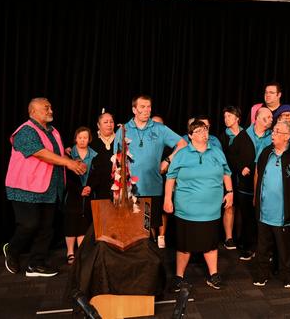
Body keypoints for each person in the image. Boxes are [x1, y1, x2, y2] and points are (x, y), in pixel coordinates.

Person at [4, 98, 86, 277]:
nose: (50, 110)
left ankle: (36, 264)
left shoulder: (53, 131)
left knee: (46, 228)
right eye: (46, 108)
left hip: (49, 187)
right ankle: (12, 250)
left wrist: (69, 157)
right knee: (29, 224)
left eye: (50, 107)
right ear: (33, 112)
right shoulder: (25, 131)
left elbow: (55, 153)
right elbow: (41, 153)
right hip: (25, 187)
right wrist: (69, 163)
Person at [164, 120, 233, 291]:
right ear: (190, 136)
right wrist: (167, 199)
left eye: (205, 130)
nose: (203, 133)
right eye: (199, 131)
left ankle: (213, 275)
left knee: (210, 244)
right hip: (186, 209)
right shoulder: (182, 154)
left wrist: (230, 192)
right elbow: (170, 177)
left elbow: (226, 172)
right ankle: (179, 276)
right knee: (184, 245)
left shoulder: (216, 152)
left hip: (211, 209)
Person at [115, 95, 185, 242]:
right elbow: (116, 161)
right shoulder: (123, 130)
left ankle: (149, 262)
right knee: (132, 231)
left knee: (149, 230)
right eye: (142, 107)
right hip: (130, 190)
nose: (147, 110)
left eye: (149, 107)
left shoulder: (160, 129)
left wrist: (167, 160)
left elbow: (183, 144)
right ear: (134, 109)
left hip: (152, 188)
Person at [252, 121, 290, 288]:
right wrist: (256, 197)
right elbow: (258, 175)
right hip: (264, 210)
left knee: (285, 248)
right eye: (273, 130)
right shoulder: (266, 152)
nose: (273, 133)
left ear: (287, 136)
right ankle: (262, 275)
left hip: (284, 213)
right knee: (262, 246)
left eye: (277, 131)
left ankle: (288, 276)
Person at [228, 106, 273, 260]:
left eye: (271, 117)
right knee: (248, 219)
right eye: (267, 117)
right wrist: (241, 168)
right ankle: (248, 247)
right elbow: (231, 156)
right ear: (258, 118)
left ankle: (265, 250)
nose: (270, 120)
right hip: (246, 186)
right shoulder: (243, 135)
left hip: (267, 185)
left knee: (265, 219)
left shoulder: (273, 136)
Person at [64, 127, 96, 265]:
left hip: (88, 193)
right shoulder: (69, 155)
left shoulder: (94, 155)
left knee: (84, 222)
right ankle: (70, 252)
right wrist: (79, 190)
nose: (83, 140)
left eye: (85, 138)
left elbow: (96, 175)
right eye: (80, 137)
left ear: (89, 139)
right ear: (75, 139)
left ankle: (81, 252)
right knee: (71, 222)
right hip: (73, 193)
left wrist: (89, 187)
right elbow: (68, 178)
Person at [220, 106, 242, 249]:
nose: (226, 119)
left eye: (229, 116)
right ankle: (229, 237)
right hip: (229, 175)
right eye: (225, 116)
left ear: (237, 118)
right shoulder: (223, 137)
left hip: (244, 176)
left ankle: (242, 237)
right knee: (229, 206)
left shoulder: (246, 133)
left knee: (242, 208)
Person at [87, 111, 115, 200]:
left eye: (111, 122)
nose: (109, 125)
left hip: (118, 187)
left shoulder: (121, 140)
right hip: (97, 188)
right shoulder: (91, 141)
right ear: (99, 125)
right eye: (105, 122)